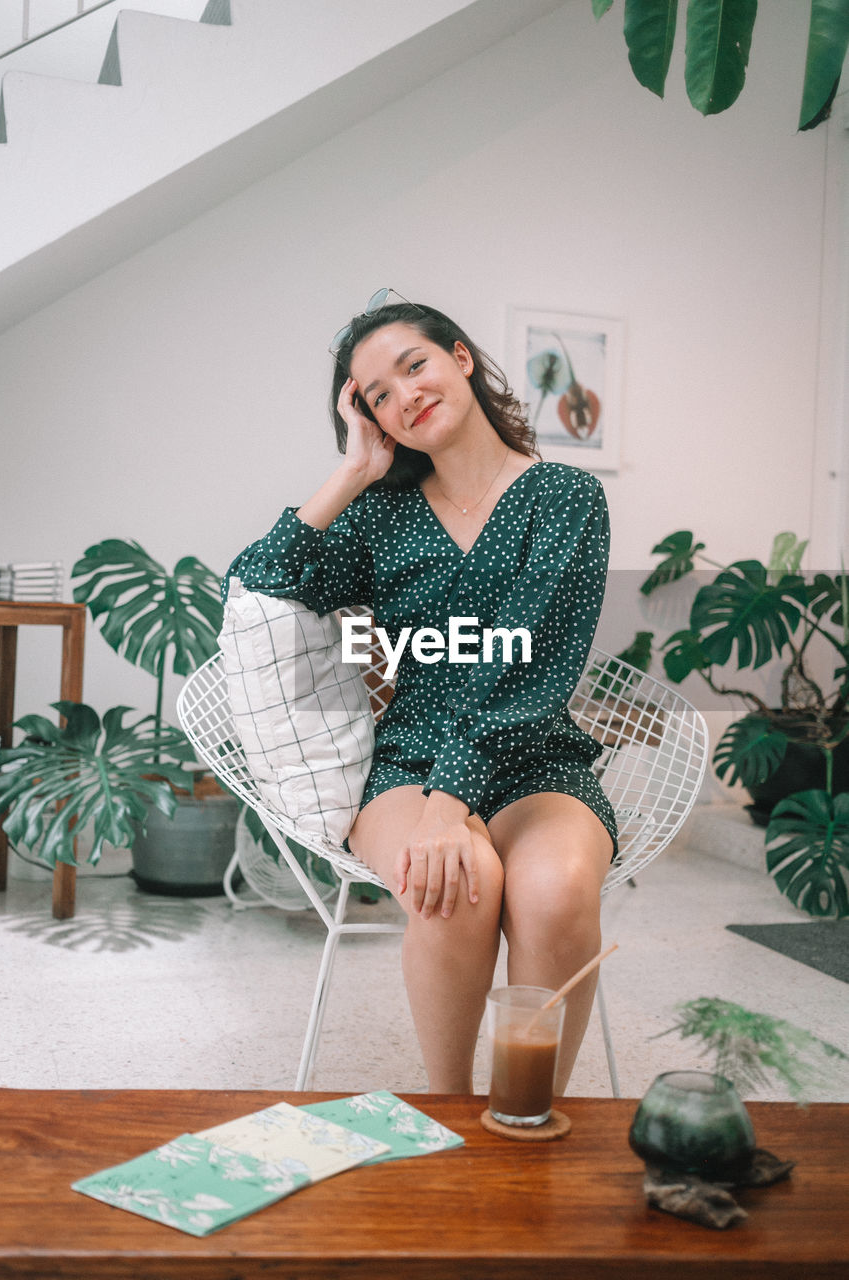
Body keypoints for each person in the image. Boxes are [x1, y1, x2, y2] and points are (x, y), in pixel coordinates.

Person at [224, 292, 617, 1094]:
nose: (404, 393)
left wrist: (455, 804)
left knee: (554, 889)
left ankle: (524, 1113)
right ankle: (451, 1109)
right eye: (377, 395)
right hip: (410, 756)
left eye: (415, 365)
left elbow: (530, 665)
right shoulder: (379, 514)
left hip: (533, 751)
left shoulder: (566, 499)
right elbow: (260, 583)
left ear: (460, 358)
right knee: (454, 883)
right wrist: (353, 470)